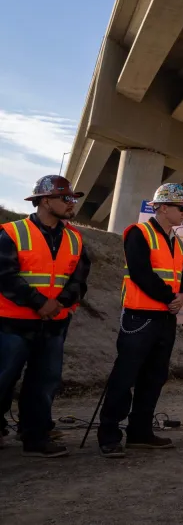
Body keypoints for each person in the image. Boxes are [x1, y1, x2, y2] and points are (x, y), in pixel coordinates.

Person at [97, 183, 183, 458]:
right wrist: (170, 297)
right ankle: (109, 434)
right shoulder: (138, 233)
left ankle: (140, 432)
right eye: (181, 207)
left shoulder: (177, 242)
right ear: (162, 208)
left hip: (165, 318)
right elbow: (140, 273)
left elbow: (182, 279)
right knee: (125, 375)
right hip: (140, 317)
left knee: (154, 377)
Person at [0, 175, 90, 457]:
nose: (71, 203)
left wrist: (59, 303)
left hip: (54, 323)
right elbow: (4, 275)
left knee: (44, 381)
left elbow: (79, 279)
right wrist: (39, 302)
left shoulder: (75, 238)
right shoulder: (12, 232)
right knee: (3, 378)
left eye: (73, 198)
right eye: (66, 198)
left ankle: (35, 436)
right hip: (12, 323)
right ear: (45, 200)